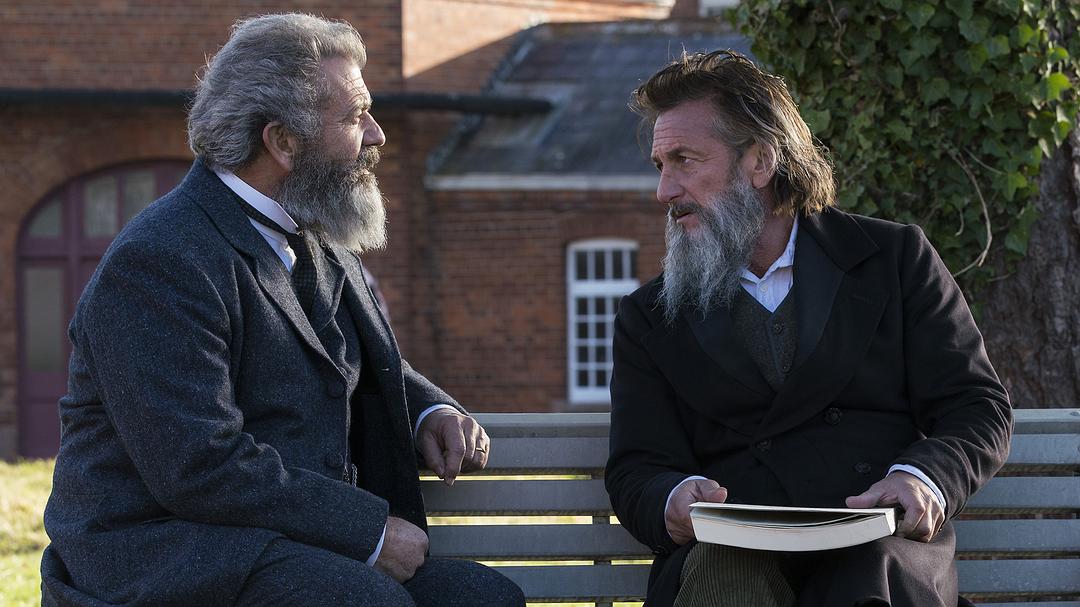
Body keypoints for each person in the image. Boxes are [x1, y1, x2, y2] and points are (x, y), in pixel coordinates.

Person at [40, 13, 524, 607]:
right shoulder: (159, 262)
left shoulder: (316, 232)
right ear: (283, 141)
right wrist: (368, 532)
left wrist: (428, 410)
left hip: (289, 543)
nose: (376, 135)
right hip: (167, 553)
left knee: (484, 597)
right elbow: (199, 464)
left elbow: (344, 359)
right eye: (355, 116)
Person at [604, 50, 1012, 607]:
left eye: (684, 160)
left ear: (760, 161)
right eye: (660, 165)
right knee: (725, 580)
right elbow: (637, 466)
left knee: (869, 579)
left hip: (875, 544)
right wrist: (670, 497)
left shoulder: (893, 260)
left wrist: (921, 477)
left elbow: (976, 405)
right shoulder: (649, 315)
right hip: (734, 553)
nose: (664, 191)